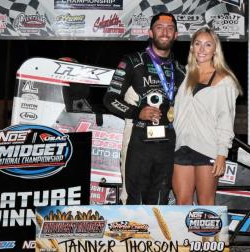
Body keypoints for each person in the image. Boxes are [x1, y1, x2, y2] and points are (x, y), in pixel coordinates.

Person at [103, 12, 186, 205]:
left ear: (175, 35)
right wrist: (136, 112)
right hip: (137, 137)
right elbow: (109, 98)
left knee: (160, 200)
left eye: (170, 28)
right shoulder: (132, 61)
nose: (164, 32)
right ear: (150, 32)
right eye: (159, 27)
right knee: (134, 200)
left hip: (167, 142)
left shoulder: (182, 70)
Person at [172, 27, 242, 205]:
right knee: (182, 203)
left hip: (207, 148)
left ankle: (208, 235)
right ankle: (184, 235)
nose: (202, 49)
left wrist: (221, 154)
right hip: (181, 146)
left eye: (208, 45)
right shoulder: (184, 74)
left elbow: (226, 120)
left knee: (206, 204)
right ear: (192, 48)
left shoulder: (224, 80)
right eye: (198, 44)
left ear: (215, 50)